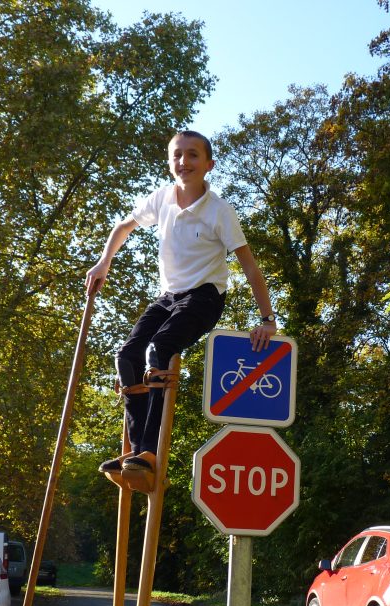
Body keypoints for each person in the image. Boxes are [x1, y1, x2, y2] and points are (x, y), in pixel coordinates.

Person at [86, 130, 277, 486]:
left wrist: (267, 319)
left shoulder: (220, 211)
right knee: (127, 355)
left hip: (205, 296)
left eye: (192, 156)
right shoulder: (161, 199)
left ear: (208, 165)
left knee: (160, 347)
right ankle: (136, 449)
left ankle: (150, 451)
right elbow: (123, 226)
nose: (183, 162)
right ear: (169, 161)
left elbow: (250, 266)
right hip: (169, 296)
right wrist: (103, 263)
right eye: (177, 155)